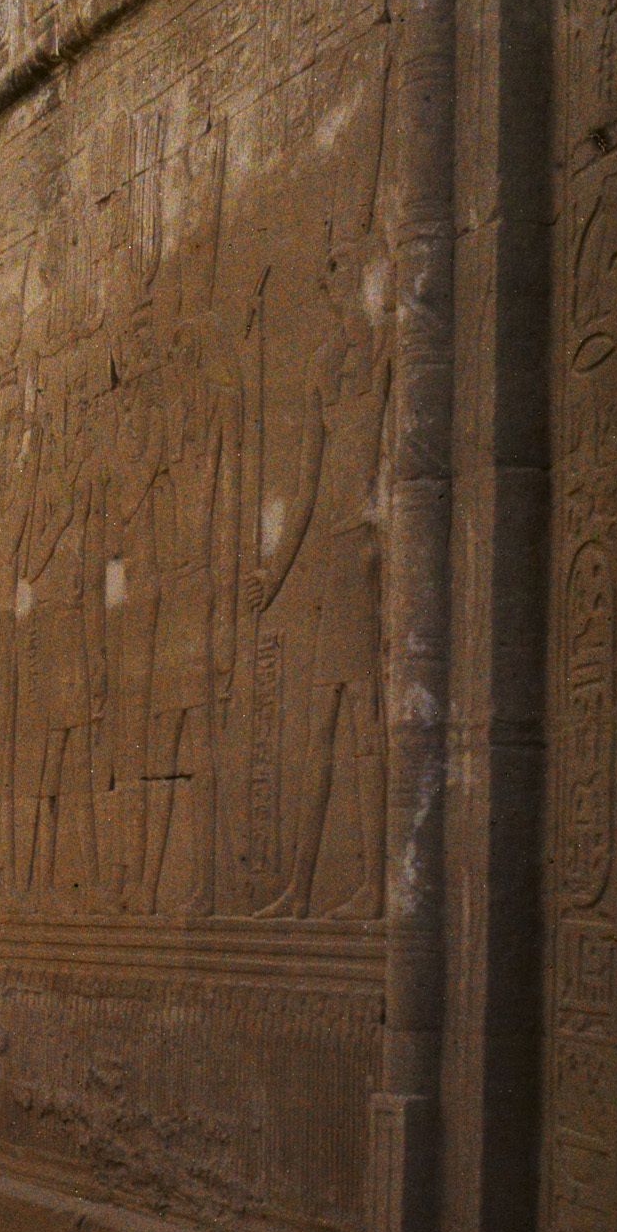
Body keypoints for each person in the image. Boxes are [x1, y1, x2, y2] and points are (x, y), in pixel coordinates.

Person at [248, 237, 391, 920]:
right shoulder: (324, 369)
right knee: (324, 724)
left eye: (343, 278)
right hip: (339, 551)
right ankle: (303, 890)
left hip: (374, 547)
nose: (335, 295)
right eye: (328, 284)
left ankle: (374, 886)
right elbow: (305, 491)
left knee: (365, 717)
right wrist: (272, 579)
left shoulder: (385, 355)